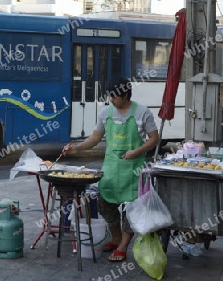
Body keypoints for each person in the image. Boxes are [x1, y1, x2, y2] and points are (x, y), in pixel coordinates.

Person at [63, 76, 159, 262]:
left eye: (114, 97)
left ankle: (123, 245)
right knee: (105, 205)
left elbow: (154, 139)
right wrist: (76, 147)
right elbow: (95, 138)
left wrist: (136, 151)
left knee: (131, 210)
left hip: (133, 171)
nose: (111, 100)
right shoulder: (105, 113)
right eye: (109, 97)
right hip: (111, 169)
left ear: (125, 94)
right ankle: (115, 238)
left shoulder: (142, 112)